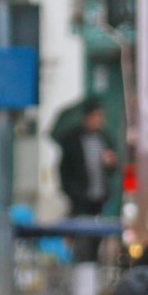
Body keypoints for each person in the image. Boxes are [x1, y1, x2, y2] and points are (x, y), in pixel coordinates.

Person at [51, 99, 120, 270]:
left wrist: (110, 164)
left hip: (99, 197)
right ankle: (82, 268)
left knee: (96, 237)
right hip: (80, 199)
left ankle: (92, 268)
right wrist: (71, 192)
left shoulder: (105, 139)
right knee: (81, 238)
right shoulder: (73, 140)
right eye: (95, 116)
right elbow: (64, 170)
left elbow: (112, 170)